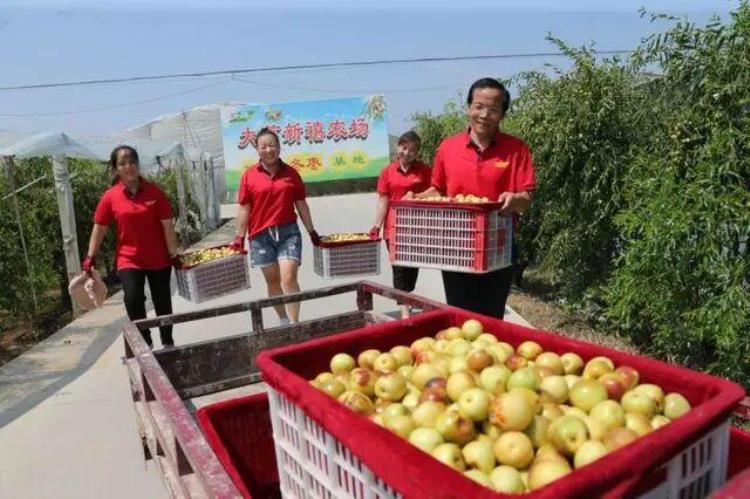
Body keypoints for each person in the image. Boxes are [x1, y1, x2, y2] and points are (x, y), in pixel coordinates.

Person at [413, 77, 536, 319]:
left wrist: (514, 200)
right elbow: (438, 190)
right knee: (460, 314)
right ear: (468, 107)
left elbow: (527, 197)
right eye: (479, 106)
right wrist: (416, 197)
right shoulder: (448, 148)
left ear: (502, 115)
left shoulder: (516, 149)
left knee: (491, 317)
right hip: (456, 243)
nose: (484, 115)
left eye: (493, 109)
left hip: (498, 245)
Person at [83, 145, 180, 349]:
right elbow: (99, 228)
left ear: (138, 164)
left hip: (158, 258)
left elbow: (167, 225)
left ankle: (168, 341)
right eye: (122, 163)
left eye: (132, 162)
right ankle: (145, 344)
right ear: (116, 168)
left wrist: (173, 253)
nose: (129, 167)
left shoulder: (155, 193)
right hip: (129, 259)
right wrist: (90, 257)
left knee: (163, 301)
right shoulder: (110, 196)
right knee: (133, 299)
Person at [230, 127, 319, 325]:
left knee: (288, 278)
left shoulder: (291, 173)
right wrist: (239, 236)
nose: (268, 150)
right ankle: (283, 320)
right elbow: (244, 207)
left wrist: (311, 231)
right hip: (260, 236)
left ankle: (295, 324)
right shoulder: (249, 176)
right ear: (258, 150)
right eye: (263, 146)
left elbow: (301, 203)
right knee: (272, 281)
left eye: (272, 145)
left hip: (288, 232)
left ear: (279, 147)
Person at [369, 131, 431, 318]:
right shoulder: (387, 171)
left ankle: (407, 297)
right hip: (393, 228)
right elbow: (383, 201)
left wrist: (418, 197)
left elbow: (435, 192)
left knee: (412, 267)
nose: (407, 153)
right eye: (404, 148)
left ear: (417, 153)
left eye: (412, 150)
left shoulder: (424, 171)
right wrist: (376, 226)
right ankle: (404, 309)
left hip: (417, 228)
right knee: (399, 268)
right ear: (398, 147)